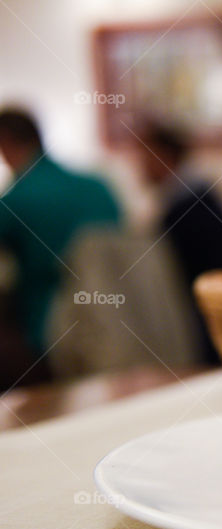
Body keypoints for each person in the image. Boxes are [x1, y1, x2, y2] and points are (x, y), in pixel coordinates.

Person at [0, 107, 121, 359]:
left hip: (52, 328)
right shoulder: (98, 186)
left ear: (6, 142)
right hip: (119, 318)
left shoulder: (16, 200)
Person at [137, 122, 222, 363]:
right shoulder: (195, 195)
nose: (138, 166)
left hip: (204, 316)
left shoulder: (189, 205)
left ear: (163, 156)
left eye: (144, 155)